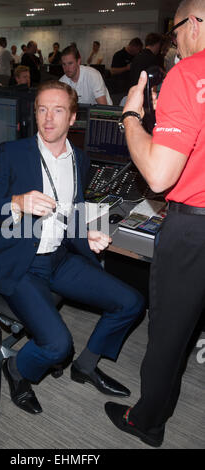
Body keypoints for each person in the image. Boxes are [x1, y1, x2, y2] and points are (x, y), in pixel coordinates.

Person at [0, 80, 145, 415]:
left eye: (57, 110)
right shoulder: (11, 153)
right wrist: (16, 202)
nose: (48, 118)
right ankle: (18, 369)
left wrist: (87, 234)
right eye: (41, 109)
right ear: (34, 113)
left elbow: (69, 213)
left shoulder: (79, 160)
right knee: (56, 346)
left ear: (72, 118)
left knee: (131, 302)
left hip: (60, 259)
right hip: (20, 264)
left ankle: (87, 365)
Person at [104, 0, 205, 448]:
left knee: (168, 333)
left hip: (194, 230)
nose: (175, 37)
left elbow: (160, 176)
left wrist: (131, 116)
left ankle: (146, 422)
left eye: (177, 27)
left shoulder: (188, 74)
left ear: (195, 23)